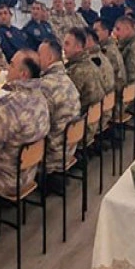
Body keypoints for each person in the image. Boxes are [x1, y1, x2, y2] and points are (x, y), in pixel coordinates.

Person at [0, 52, 50, 197]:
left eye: (12, 65)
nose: (7, 68)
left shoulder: (12, 105)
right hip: (29, 173)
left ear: (23, 74)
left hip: (6, 180)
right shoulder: (41, 96)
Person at [36, 38, 82, 179]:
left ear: (50, 58)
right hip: (70, 147)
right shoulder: (66, 78)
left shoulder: (45, 85)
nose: (37, 58)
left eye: (39, 55)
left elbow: (37, 127)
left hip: (53, 154)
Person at [62, 28, 107, 141]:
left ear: (78, 47)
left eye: (67, 44)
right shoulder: (90, 63)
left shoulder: (77, 71)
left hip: (82, 129)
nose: (63, 48)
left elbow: (67, 105)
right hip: (95, 121)